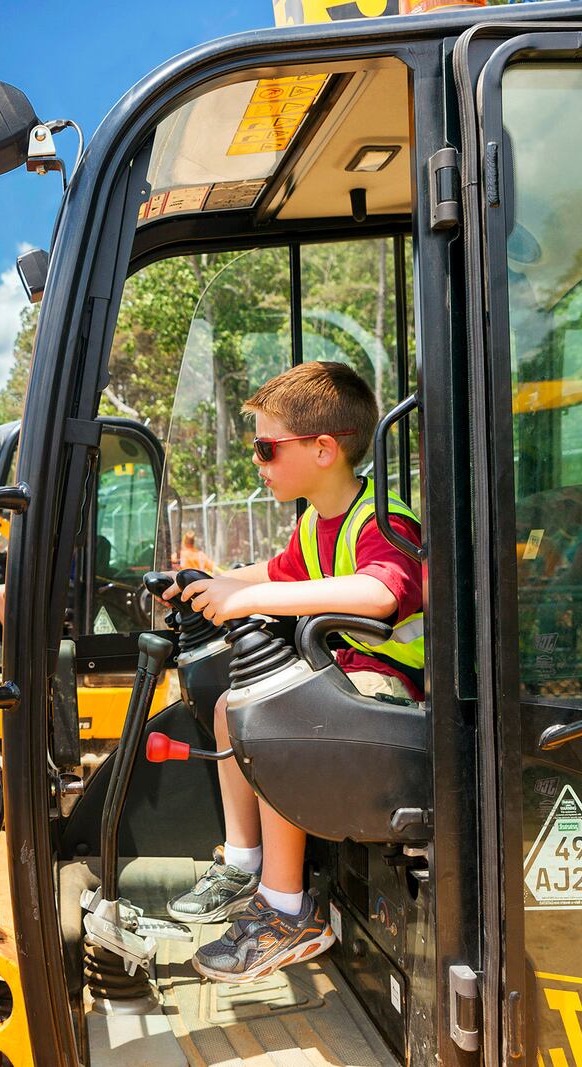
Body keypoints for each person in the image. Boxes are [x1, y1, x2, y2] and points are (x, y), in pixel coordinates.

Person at [160, 361, 424, 984]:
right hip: (343, 679)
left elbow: (380, 593)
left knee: (275, 724)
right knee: (231, 709)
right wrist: (208, 584)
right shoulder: (314, 520)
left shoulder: (385, 520)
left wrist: (245, 601)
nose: (259, 462)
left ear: (324, 450)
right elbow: (274, 573)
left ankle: (288, 912)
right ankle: (245, 863)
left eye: (266, 448)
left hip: (393, 696)